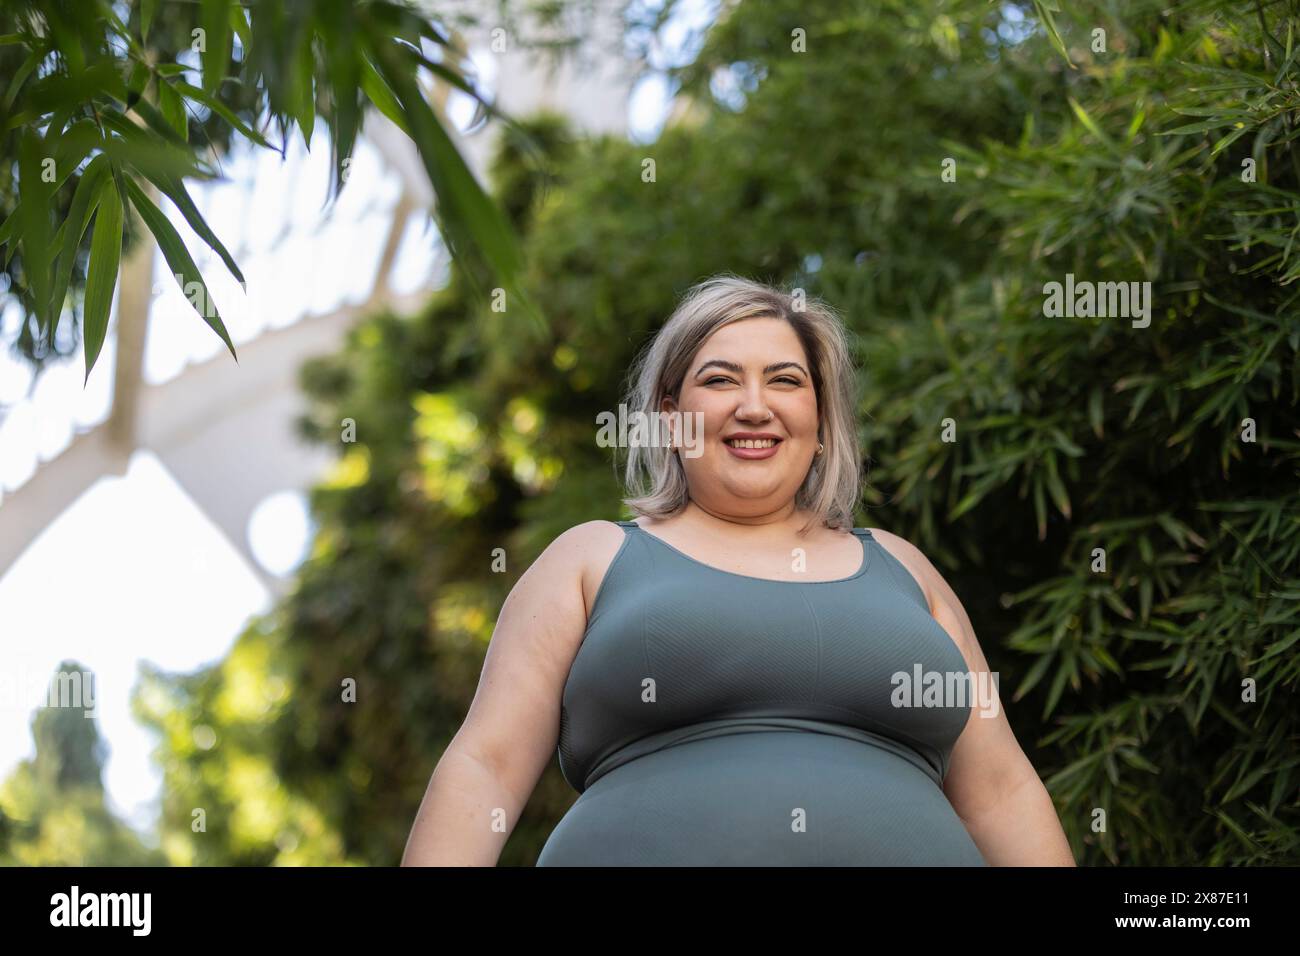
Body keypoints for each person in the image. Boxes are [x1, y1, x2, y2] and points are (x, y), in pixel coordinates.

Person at [401, 274, 1076, 866]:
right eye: (720, 380)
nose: (754, 406)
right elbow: (485, 767)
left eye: (785, 381)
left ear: (820, 418)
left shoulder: (905, 569)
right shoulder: (590, 557)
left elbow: (1001, 791)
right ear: (670, 416)